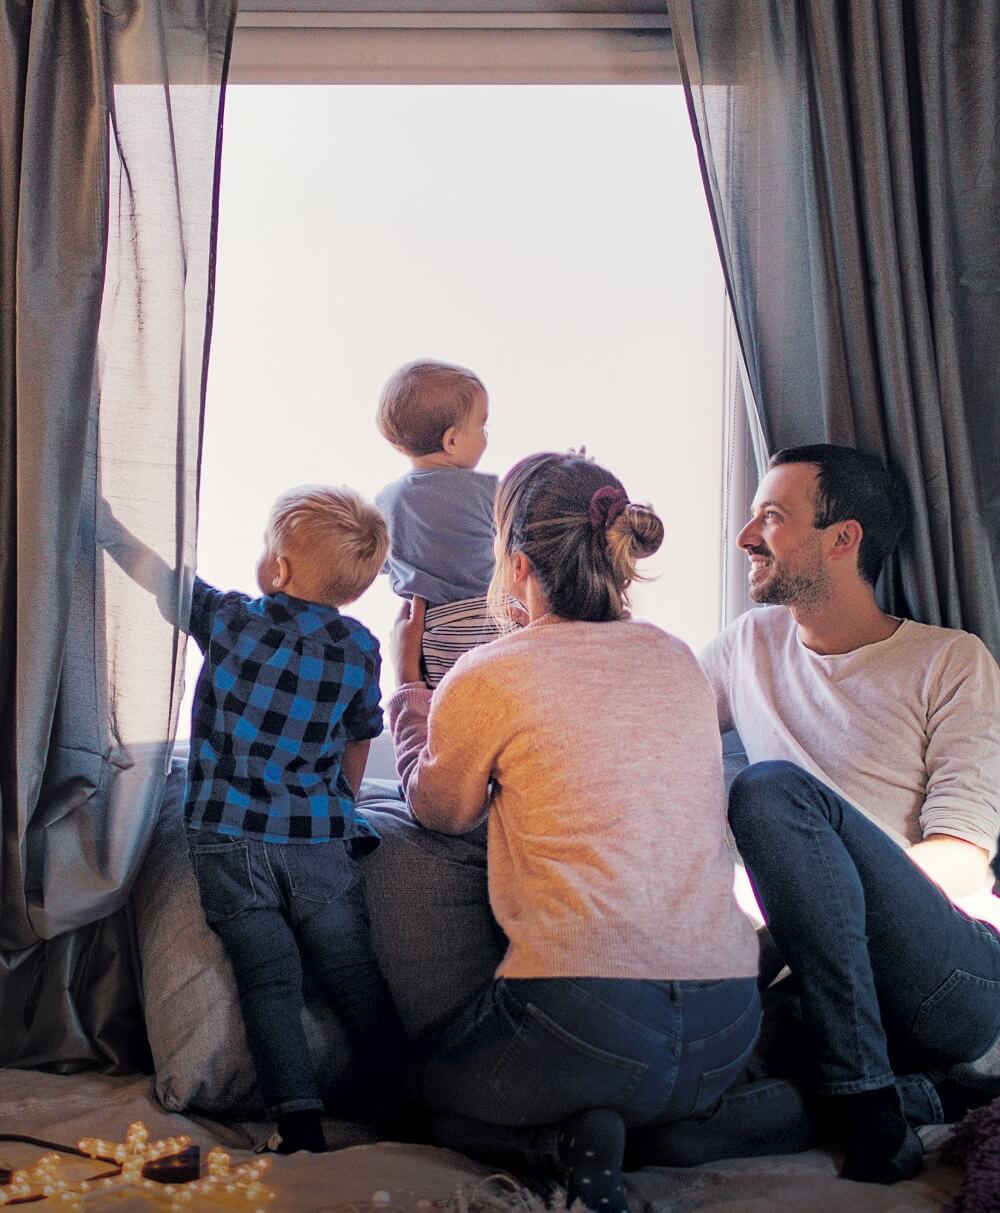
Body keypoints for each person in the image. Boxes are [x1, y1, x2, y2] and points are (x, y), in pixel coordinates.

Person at [387, 452, 762, 1212]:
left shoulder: (493, 672)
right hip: (729, 1021)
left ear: (518, 565)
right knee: (663, 1108)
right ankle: (673, 1130)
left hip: (585, 1020)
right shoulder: (679, 660)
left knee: (411, 1091)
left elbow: (440, 809)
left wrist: (406, 689)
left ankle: (563, 1144)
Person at [699, 444, 1000, 1185]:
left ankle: (868, 1098)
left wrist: (816, 898)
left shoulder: (951, 660)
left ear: (843, 539)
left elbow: (964, 853)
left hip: (948, 972)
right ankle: (934, 1094)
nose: (745, 536)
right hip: (827, 986)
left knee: (769, 791)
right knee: (682, 1126)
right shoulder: (747, 646)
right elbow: (653, 743)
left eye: (771, 517)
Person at [179, 485, 406, 1153]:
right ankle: (403, 1098)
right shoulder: (361, 647)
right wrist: (345, 799)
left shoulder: (230, 619)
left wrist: (108, 524)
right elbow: (364, 730)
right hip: (317, 840)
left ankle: (299, 1119)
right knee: (355, 973)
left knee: (268, 977)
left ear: (278, 568)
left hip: (229, 836)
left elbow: (170, 581)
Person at [375, 360, 500, 686]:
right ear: (452, 441)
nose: (486, 436)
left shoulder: (388, 501)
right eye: (482, 427)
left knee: (437, 716)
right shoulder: (489, 492)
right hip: (489, 625)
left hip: (425, 634)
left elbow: (379, 562)